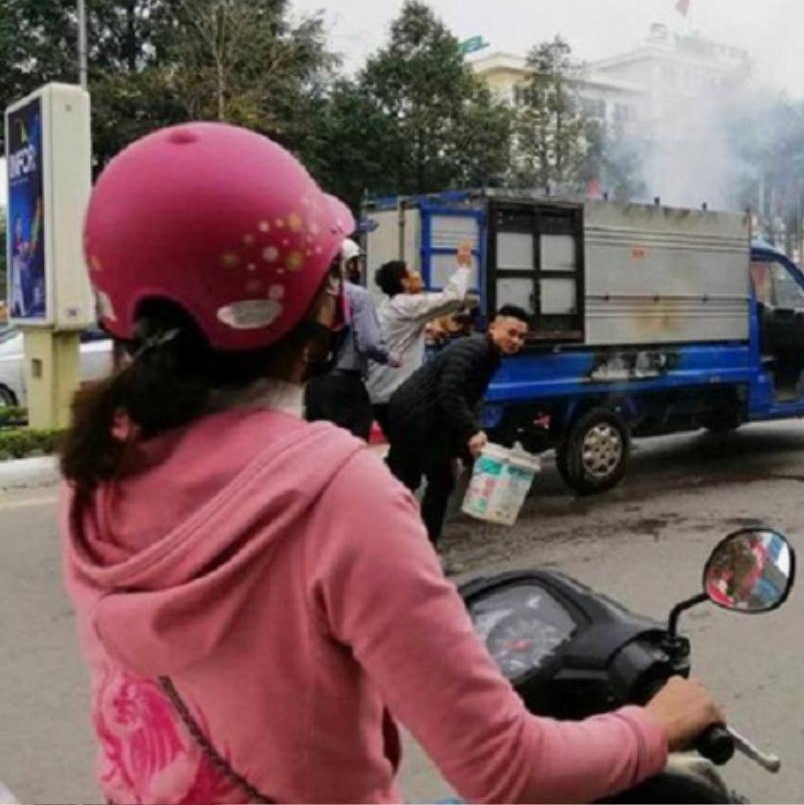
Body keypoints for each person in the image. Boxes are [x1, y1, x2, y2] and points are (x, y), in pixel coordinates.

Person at [59, 122, 721, 805]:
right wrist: (653, 726)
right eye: (332, 278)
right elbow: (507, 769)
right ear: (310, 306)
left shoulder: (94, 469)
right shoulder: (337, 494)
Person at [386, 305, 529, 546]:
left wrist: (468, 438)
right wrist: (471, 431)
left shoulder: (489, 354)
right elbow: (449, 391)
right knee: (436, 481)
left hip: (420, 417)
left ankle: (399, 541)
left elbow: (467, 397)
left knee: (407, 480)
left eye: (521, 337)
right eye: (512, 333)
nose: (516, 341)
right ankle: (421, 549)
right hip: (416, 418)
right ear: (494, 327)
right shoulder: (475, 349)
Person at [305, 224, 397, 440]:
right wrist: (389, 356)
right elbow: (369, 342)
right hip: (345, 384)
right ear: (347, 264)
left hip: (315, 385)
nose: (359, 267)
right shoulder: (358, 296)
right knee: (351, 448)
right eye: (356, 262)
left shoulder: (315, 293)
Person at [366, 246, 473, 427]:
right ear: (405, 282)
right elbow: (452, 298)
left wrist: (428, 327)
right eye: (412, 271)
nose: (418, 273)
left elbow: (404, 326)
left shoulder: (390, 304)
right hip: (396, 394)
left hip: (381, 392)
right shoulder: (406, 304)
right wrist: (464, 267)